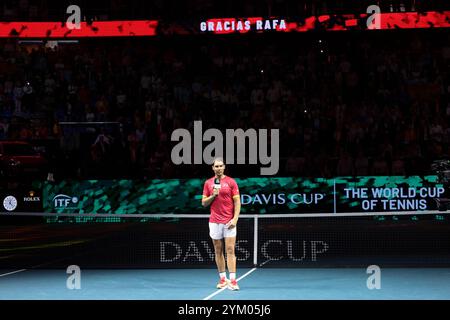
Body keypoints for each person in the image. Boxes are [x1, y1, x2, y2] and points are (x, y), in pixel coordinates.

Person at [202, 157, 241, 290]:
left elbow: (237, 202)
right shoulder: (208, 183)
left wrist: (235, 219)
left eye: (220, 166)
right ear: (213, 168)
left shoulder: (231, 182)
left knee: (230, 250)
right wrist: (213, 195)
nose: (218, 168)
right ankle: (223, 279)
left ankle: (233, 281)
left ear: (224, 167)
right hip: (214, 222)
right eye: (216, 166)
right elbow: (204, 203)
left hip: (229, 222)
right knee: (218, 250)